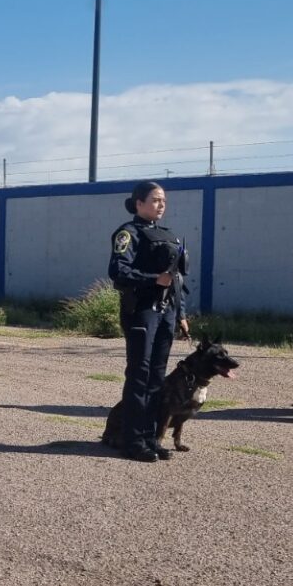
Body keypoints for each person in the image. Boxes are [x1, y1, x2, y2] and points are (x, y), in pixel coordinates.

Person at [108, 181, 190, 462]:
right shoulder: (128, 234)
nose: (161, 205)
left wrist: (181, 313)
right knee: (139, 376)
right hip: (142, 310)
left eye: (164, 200)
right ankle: (131, 440)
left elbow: (177, 278)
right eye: (155, 200)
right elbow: (118, 271)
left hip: (166, 311)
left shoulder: (168, 235)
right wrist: (152, 280)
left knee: (157, 378)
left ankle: (150, 437)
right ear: (138, 203)